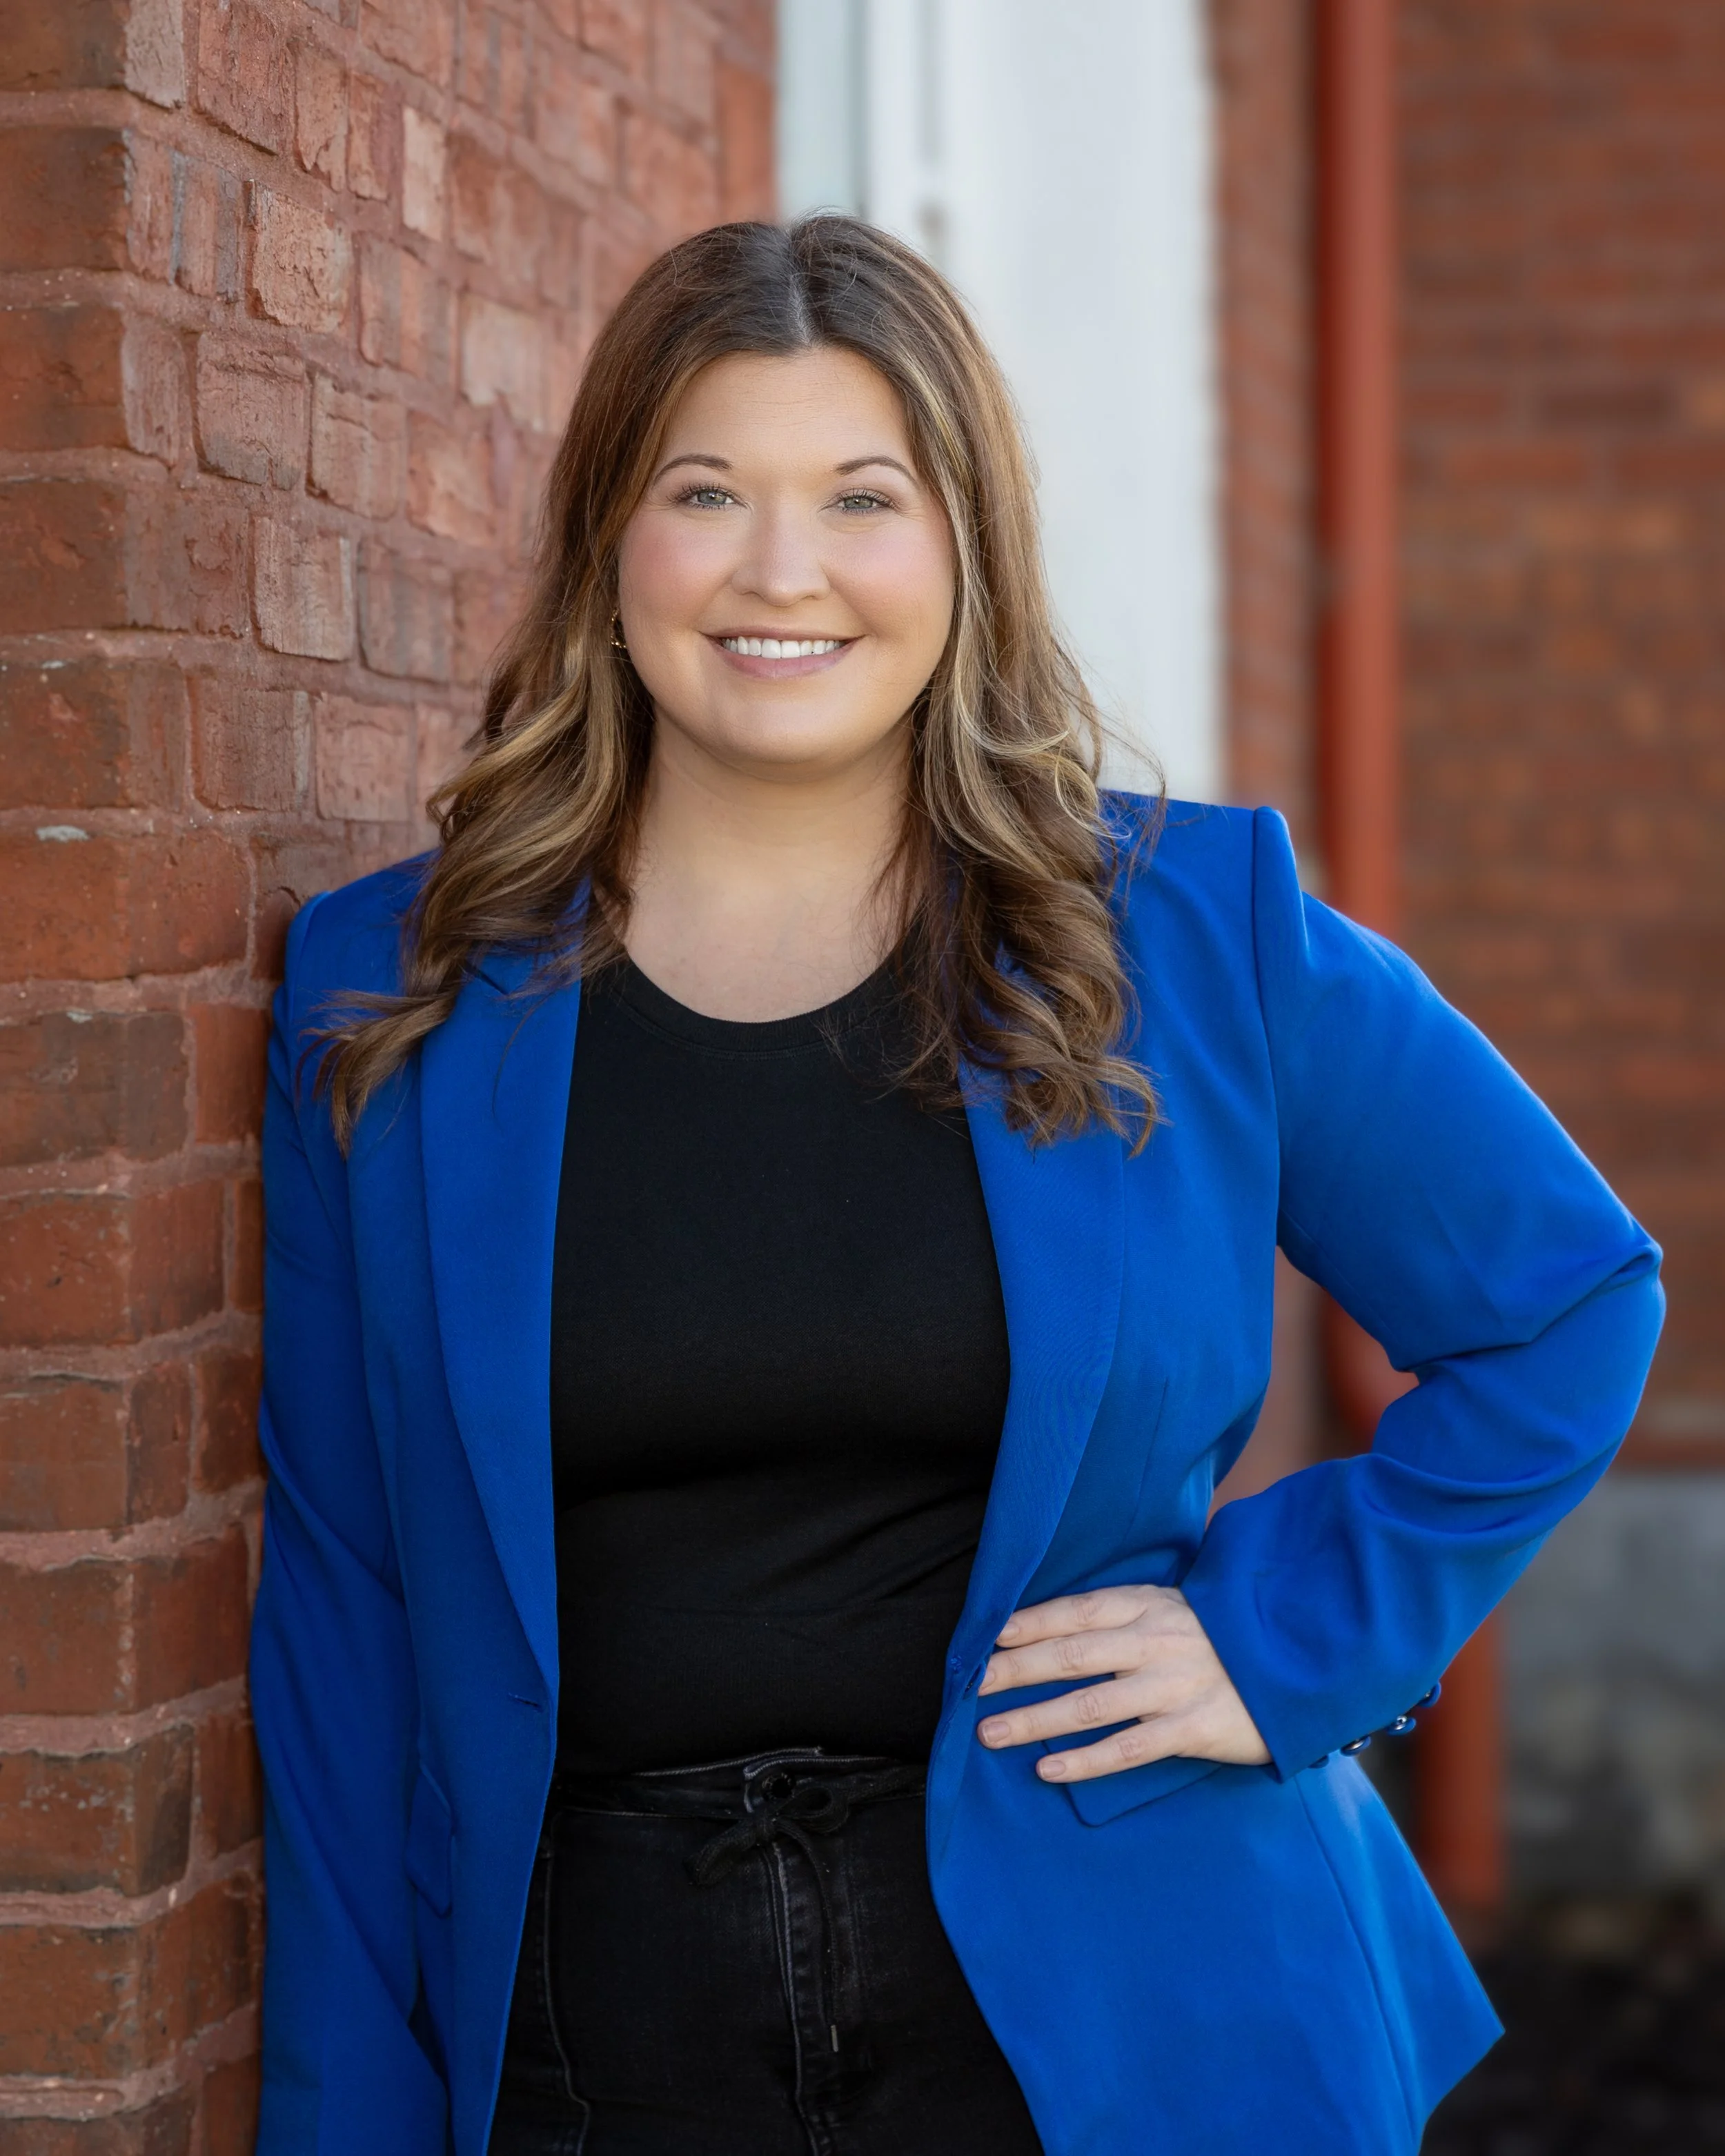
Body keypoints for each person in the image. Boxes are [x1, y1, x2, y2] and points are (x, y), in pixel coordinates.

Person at [251, 216, 1663, 2156]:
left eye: (861, 497)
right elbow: (342, 1609)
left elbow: (1567, 1302)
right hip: (590, 2027)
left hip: (1130, 2005)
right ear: (606, 543)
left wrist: (1281, 1640)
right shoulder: (384, 989)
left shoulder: (1188, 932)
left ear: (961, 548)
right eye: (704, 492)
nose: (782, 570)